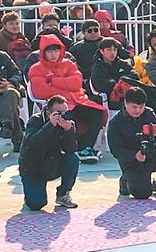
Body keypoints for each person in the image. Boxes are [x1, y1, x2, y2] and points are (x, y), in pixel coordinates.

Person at [28, 33, 106, 161]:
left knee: (97, 112)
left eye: (56, 50)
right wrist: (66, 87)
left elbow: (77, 83)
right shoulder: (36, 69)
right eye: (50, 51)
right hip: (57, 105)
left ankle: (85, 147)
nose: (53, 54)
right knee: (66, 115)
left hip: (77, 101)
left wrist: (53, 80)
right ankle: (71, 147)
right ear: (43, 52)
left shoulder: (69, 64)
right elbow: (41, 92)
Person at [107, 87, 156, 199]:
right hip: (132, 163)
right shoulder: (116, 122)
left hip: (152, 153)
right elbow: (115, 150)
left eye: (141, 107)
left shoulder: (148, 113)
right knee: (142, 193)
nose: (138, 110)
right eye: (134, 107)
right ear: (125, 103)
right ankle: (125, 181)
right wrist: (134, 155)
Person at [18, 95, 80, 211]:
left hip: (52, 163)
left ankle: (63, 194)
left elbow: (71, 149)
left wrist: (68, 131)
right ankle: (30, 195)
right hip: (33, 167)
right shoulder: (35, 120)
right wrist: (50, 125)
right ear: (48, 112)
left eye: (65, 112)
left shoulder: (67, 123)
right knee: (36, 204)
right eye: (59, 113)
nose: (63, 115)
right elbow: (32, 145)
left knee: (73, 159)